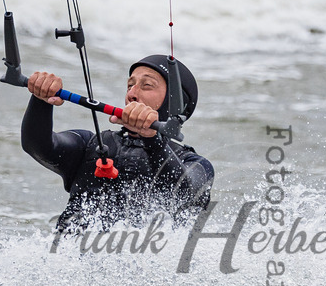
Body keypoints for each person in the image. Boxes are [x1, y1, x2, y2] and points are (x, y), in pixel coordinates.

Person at [22, 55, 214, 233]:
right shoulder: (89, 145)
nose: (132, 94)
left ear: (176, 105)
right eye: (130, 85)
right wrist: (41, 100)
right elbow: (37, 145)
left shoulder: (195, 164)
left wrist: (152, 138)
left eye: (147, 85)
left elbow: (184, 193)